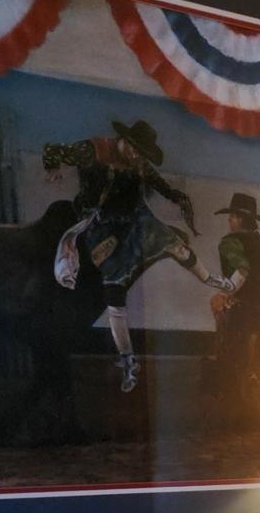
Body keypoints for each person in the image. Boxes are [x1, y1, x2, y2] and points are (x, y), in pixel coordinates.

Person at [43, 118, 214, 393]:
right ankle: (125, 355)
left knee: (164, 239)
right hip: (97, 222)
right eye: (134, 148)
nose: (136, 155)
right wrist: (52, 167)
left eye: (140, 152)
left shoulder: (139, 164)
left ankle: (206, 277)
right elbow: (54, 150)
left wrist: (174, 196)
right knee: (109, 279)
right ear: (123, 140)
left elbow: (155, 180)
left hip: (132, 220)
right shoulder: (93, 150)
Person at [204, 191, 260, 410]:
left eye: (232, 216)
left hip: (238, 315)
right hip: (258, 317)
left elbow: (243, 269)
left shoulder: (229, 243)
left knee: (229, 364)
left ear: (241, 219)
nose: (229, 220)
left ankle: (234, 413)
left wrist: (225, 292)